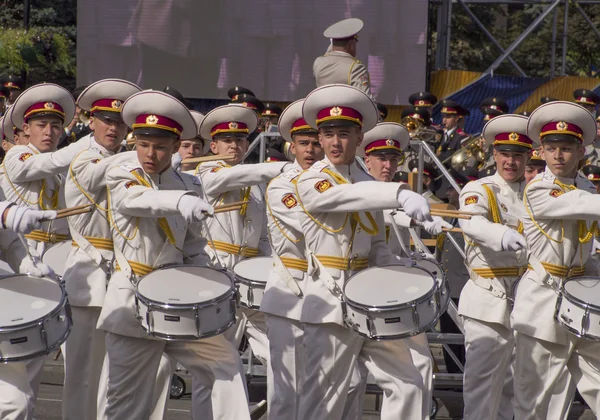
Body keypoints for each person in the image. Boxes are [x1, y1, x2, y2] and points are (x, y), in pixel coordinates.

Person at [97, 89, 250, 420]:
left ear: (174, 144)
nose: (150, 154)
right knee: (127, 406)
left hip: (179, 303)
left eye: (160, 146)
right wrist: (180, 202)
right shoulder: (122, 174)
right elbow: (135, 201)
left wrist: (213, 282)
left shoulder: (190, 184)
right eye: (143, 144)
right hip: (133, 303)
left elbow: (193, 247)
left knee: (227, 366)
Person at [295, 83, 432, 420]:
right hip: (329, 299)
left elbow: (378, 244)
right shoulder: (313, 179)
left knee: (409, 383)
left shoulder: (367, 182)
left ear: (359, 138)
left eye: (344, 134)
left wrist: (400, 281)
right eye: (327, 134)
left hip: (370, 299)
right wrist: (398, 193)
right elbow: (347, 197)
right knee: (324, 400)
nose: (334, 142)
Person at [193, 103, 293, 419]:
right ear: (213, 146)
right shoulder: (205, 174)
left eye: (240, 140)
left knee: (284, 355)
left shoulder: (253, 181)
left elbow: (262, 237)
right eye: (227, 140)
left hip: (251, 285)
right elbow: (233, 175)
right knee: (211, 366)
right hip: (218, 277)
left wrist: (269, 271)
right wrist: (282, 168)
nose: (235, 146)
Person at [1, 83, 92, 415]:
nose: (50, 132)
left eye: (56, 126)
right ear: (25, 129)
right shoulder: (18, 155)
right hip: (15, 266)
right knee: (16, 367)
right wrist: (90, 143)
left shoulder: (63, 169)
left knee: (37, 363)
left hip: (54, 267)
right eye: (41, 125)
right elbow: (33, 167)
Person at [512, 101, 600, 418]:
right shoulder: (539, 188)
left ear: (581, 152)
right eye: (551, 149)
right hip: (543, 303)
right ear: (542, 151)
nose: (558, 156)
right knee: (533, 400)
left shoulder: (587, 186)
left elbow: (587, 249)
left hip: (581, 302)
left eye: (566, 148)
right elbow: (577, 204)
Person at [61, 78, 141, 420]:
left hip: (120, 275)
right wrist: (146, 154)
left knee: (114, 375)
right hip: (88, 272)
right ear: (90, 120)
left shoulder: (125, 160)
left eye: (121, 121)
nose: (114, 127)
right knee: (82, 374)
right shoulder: (83, 157)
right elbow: (97, 177)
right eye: (107, 120)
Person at [360, 121, 452, 417]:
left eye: (392, 159)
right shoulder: (361, 190)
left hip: (394, 290)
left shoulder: (400, 194)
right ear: (367, 160)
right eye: (381, 159)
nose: (387, 165)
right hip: (363, 291)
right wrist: (416, 221)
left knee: (423, 363)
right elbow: (390, 218)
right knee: (350, 381)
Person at [458, 114, 532, 420]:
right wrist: (501, 234)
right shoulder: (480, 188)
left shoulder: (535, 192)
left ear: (529, 156)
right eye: (504, 154)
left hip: (526, 301)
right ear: (494, 155)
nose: (511, 162)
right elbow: (471, 222)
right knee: (481, 389)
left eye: (518, 155)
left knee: (514, 391)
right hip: (487, 300)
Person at [261, 98, 324, 419]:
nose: (311, 150)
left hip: (324, 292)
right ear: (292, 146)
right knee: (286, 392)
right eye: (304, 143)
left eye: (316, 143)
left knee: (325, 388)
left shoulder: (334, 183)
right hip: (290, 289)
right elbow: (308, 225)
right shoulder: (282, 185)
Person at [313, 19, 372, 98]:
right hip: (346, 110)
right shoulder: (356, 67)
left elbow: (330, 53)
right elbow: (366, 99)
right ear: (351, 44)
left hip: (323, 109)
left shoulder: (318, 62)